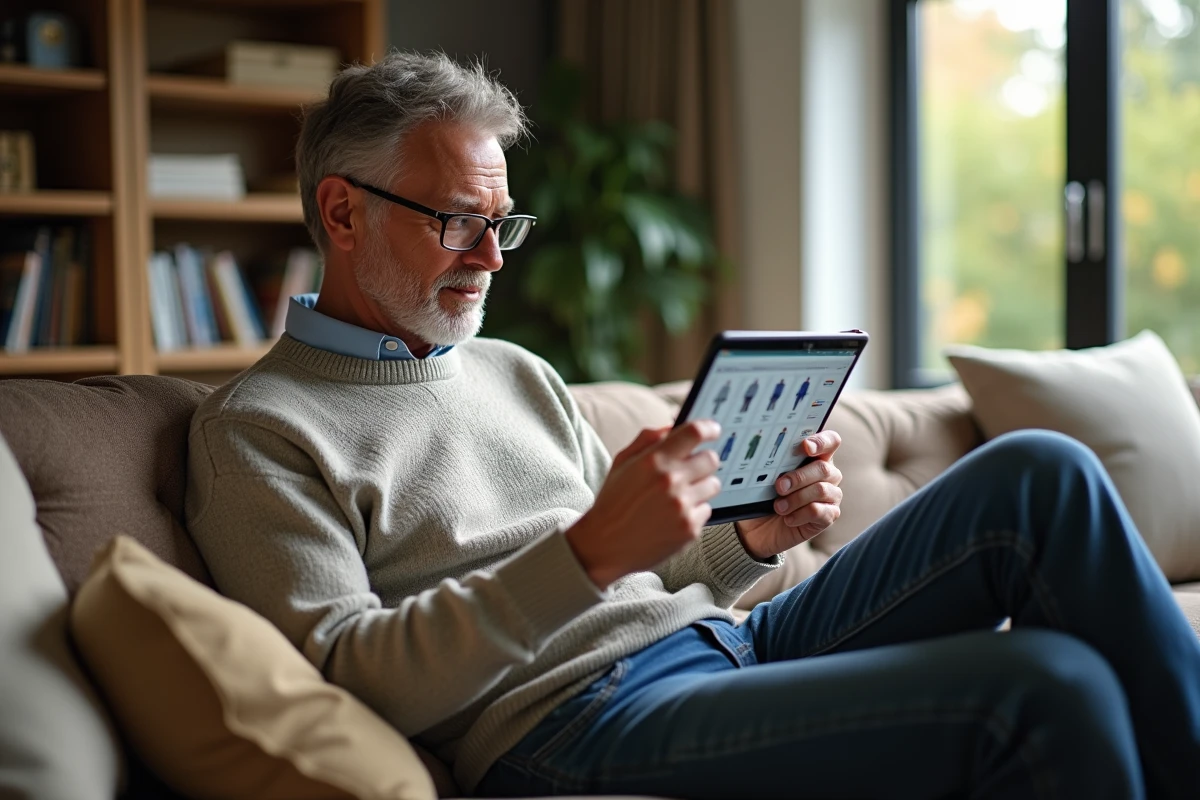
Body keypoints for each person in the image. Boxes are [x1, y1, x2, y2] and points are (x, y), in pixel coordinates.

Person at [184, 51, 1200, 799]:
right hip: (570, 725)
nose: (491, 259)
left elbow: (657, 575)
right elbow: (350, 677)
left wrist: (747, 541)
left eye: (502, 225)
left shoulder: (514, 372)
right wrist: (584, 552)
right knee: (1044, 683)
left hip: (723, 642)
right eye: (458, 221)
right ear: (344, 212)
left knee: (1042, 475)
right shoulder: (258, 433)